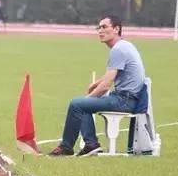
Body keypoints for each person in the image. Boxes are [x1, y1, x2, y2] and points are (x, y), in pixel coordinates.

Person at [49, 15, 147, 157]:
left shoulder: (118, 50)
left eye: (104, 27)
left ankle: (67, 147)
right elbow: (111, 75)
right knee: (83, 105)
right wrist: (95, 84)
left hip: (124, 100)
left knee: (77, 104)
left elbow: (106, 86)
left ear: (116, 29)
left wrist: (88, 97)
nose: (100, 31)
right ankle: (91, 144)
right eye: (99, 28)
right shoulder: (125, 45)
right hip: (128, 98)